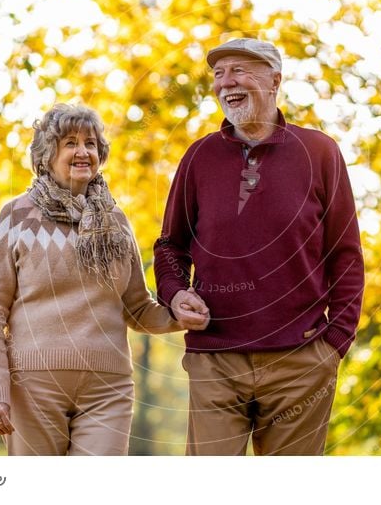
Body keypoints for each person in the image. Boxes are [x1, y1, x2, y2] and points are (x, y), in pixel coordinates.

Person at [153, 38, 364, 455]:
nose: (225, 83)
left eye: (239, 70)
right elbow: (170, 247)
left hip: (301, 360)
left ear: (274, 81)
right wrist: (175, 294)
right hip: (215, 358)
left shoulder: (320, 152)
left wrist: (334, 341)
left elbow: (345, 254)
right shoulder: (199, 157)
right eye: (217, 74)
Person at [0, 103, 208, 456]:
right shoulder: (16, 217)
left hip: (108, 388)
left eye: (91, 143)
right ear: (46, 155)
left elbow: (137, 308)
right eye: (70, 143)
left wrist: (178, 314)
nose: (83, 151)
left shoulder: (115, 221)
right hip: (34, 385)